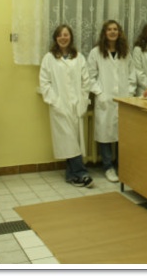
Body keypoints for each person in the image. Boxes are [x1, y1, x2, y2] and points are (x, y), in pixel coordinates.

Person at [39, 24, 93, 188]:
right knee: (69, 139)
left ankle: (71, 175)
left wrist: (83, 101)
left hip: (76, 105)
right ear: (56, 38)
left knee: (73, 141)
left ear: (71, 37)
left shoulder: (79, 57)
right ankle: (82, 173)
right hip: (59, 106)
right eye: (60, 35)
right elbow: (44, 82)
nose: (63, 38)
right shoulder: (49, 58)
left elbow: (86, 81)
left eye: (66, 35)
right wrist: (55, 101)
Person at [87, 20, 137, 183]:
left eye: (115, 29)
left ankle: (123, 166)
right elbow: (90, 77)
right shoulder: (96, 53)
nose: (112, 32)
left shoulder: (125, 53)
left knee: (124, 135)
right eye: (109, 29)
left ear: (119, 32)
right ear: (104, 33)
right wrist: (100, 93)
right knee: (105, 135)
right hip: (105, 99)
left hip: (123, 99)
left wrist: (130, 93)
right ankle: (108, 167)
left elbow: (132, 75)